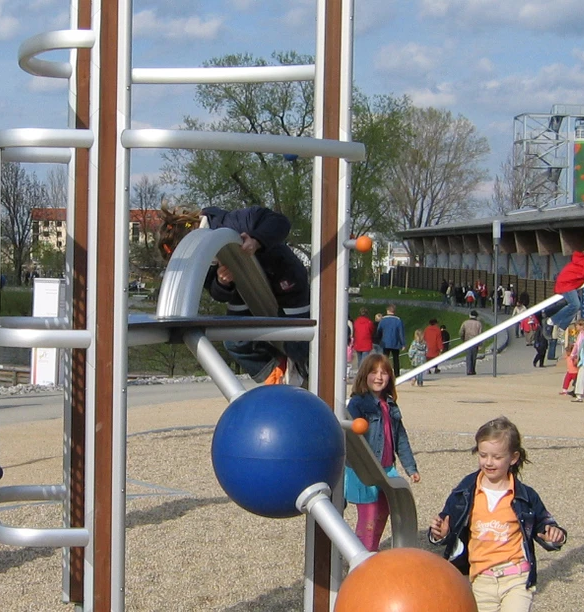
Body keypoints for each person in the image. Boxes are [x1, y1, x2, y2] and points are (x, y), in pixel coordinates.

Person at [158, 205, 309, 384]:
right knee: (233, 340)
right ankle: (275, 370)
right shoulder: (199, 260)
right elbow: (216, 293)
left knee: (298, 339)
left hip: (284, 280)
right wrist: (222, 283)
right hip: (244, 291)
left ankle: (304, 367)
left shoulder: (235, 221)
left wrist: (256, 240)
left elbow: (281, 222)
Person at [429, 417, 567, 612]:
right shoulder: (465, 491)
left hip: (516, 577)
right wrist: (440, 533)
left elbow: (543, 523)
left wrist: (554, 535)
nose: (489, 462)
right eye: (483, 455)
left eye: (497, 457)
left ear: (513, 457)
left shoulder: (525, 496)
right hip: (480, 579)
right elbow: (446, 521)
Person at [344, 354, 421, 552]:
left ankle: (371, 549)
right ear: (364, 375)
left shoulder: (390, 405)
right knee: (369, 514)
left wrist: (410, 467)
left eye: (384, 372)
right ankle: (362, 555)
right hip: (365, 469)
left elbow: (400, 439)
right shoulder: (358, 404)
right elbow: (351, 438)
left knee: (386, 508)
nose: (379, 377)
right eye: (374, 372)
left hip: (387, 468)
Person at [376, 304, 406, 368]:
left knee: (385, 359)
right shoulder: (398, 320)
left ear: (388, 311)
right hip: (395, 342)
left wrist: (378, 340)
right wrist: (403, 344)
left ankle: (384, 370)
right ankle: (397, 374)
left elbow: (379, 331)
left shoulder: (383, 320)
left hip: (385, 342)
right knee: (396, 359)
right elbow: (401, 332)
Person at [459, 310, 484, 376]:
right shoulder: (479, 324)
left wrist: (463, 339)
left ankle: (469, 370)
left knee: (468, 356)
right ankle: (472, 370)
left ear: (470, 315)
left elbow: (461, 332)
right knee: (474, 356)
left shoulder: (465, 323)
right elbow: (480, 334)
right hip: (475, 341)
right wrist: (480, 344)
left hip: (467, 340)